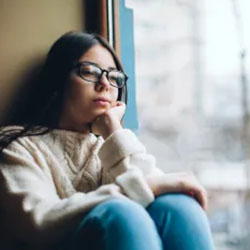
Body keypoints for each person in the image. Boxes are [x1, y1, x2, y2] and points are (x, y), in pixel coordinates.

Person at [0, 31, 214, 250]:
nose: (105, 84)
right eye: (90, 72)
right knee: (122, 213)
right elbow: (40, 222)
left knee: (179, 207)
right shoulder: (16, 145)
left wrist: (114, 131)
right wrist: (143, 186)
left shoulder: (107, 146)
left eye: (114, 77)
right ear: (58, 79)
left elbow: (150, 188)